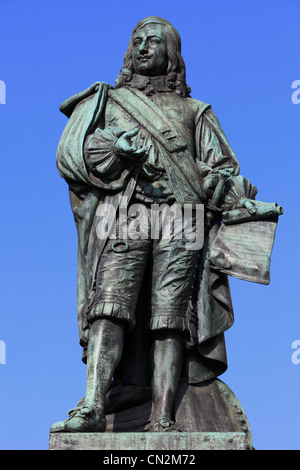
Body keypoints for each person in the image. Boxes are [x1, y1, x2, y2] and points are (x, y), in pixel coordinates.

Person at [51, 16, 255, 433]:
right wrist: (115, 148)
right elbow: (76, 156)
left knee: (171, 318)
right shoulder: (109, 102)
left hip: (184, 219)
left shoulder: (196, 112)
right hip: (125, 214)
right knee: (108, 307)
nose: (143, 47)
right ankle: (92, 404)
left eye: (153, 41)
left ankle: (162, 418)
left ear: (172, 54)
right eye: (137, 41)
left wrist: (224, 185)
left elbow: (226, 171)